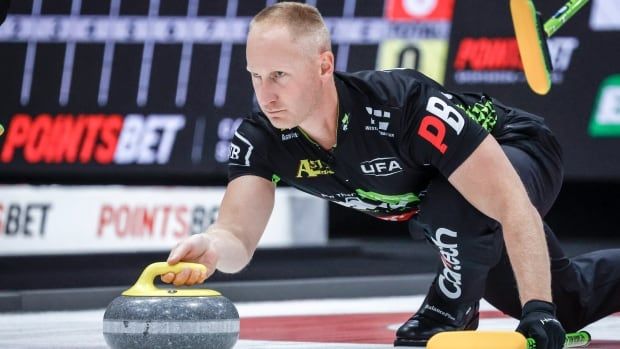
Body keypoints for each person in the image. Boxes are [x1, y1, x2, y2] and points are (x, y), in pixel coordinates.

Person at [161, 2, 620, 348]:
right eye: (255, 76)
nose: (266, 94)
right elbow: (238, 236)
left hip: (517, 149)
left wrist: (536, 312)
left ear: (324, 65)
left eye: (279, 74)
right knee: (570, 302)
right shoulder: (261, 138)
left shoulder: (399, 106)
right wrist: (214, 248)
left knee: (452, 209)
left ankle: (451, 306)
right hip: (455, 215)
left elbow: (510, 204)